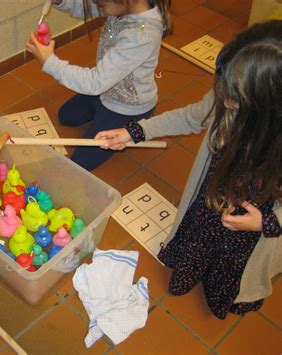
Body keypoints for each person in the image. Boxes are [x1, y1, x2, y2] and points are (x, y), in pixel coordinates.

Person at [95, 20, 282, 319]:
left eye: (236, 99)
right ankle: (191, 270)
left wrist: (266, 223)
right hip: (209, 204)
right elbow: (190, 117)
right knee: (196, 244)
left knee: (229, 274)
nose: (224, 100)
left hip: (253, 226)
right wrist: (135, 132)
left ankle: (223, 293)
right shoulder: (228, 97)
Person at [26, 0, 172, 171]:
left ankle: (139, 120)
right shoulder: (122, 7)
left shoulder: (141, 35)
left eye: (100, 4)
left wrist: (49, 62)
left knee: (80, 163)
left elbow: (94, 83)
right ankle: (99, 112)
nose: (97, 6)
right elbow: (86, 8)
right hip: (105, 88)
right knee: (65, 116)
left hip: (126, 107)